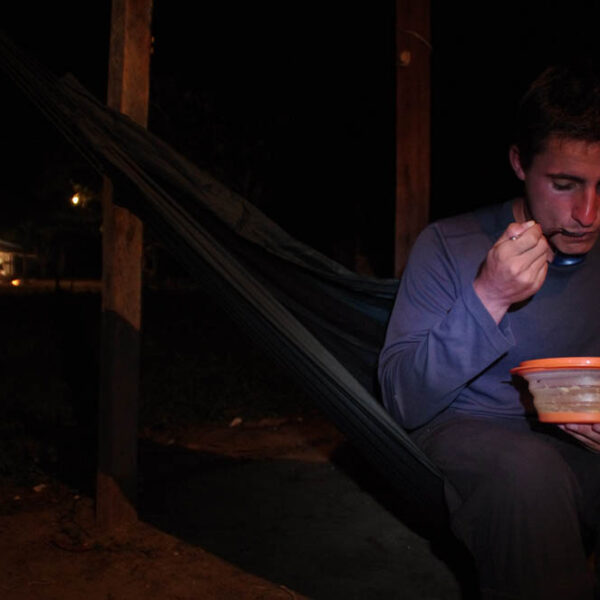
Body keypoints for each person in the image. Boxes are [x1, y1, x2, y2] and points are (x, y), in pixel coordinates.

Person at [378, 60, 600, 600]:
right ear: (519, 163)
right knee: (529, 474)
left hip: (575, 443)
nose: (588, 213)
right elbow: (402, 399)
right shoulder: (448, 245)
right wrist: (490, 295)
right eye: (565, 185)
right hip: (466, 429)